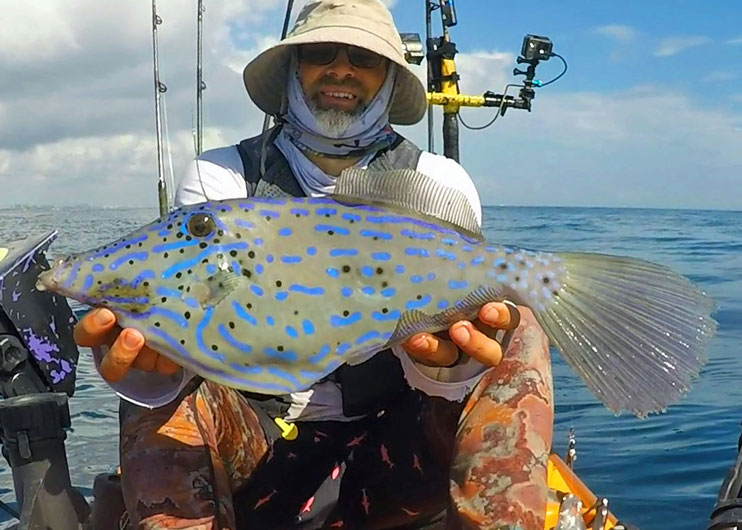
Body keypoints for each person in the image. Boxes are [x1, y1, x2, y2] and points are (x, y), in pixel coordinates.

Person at [74, 1, 552, 528]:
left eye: (365, 59)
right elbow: (193, 344)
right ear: (294, 70)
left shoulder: (437, 181)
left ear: (390, 78)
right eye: (321, 53)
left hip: (396, 444)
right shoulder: (223, 177)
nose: (341, 69)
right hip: (258, 445)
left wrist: (448, 368)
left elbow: (444, 352)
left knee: (518, 324)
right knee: (153, 367)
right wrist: (153, 375)